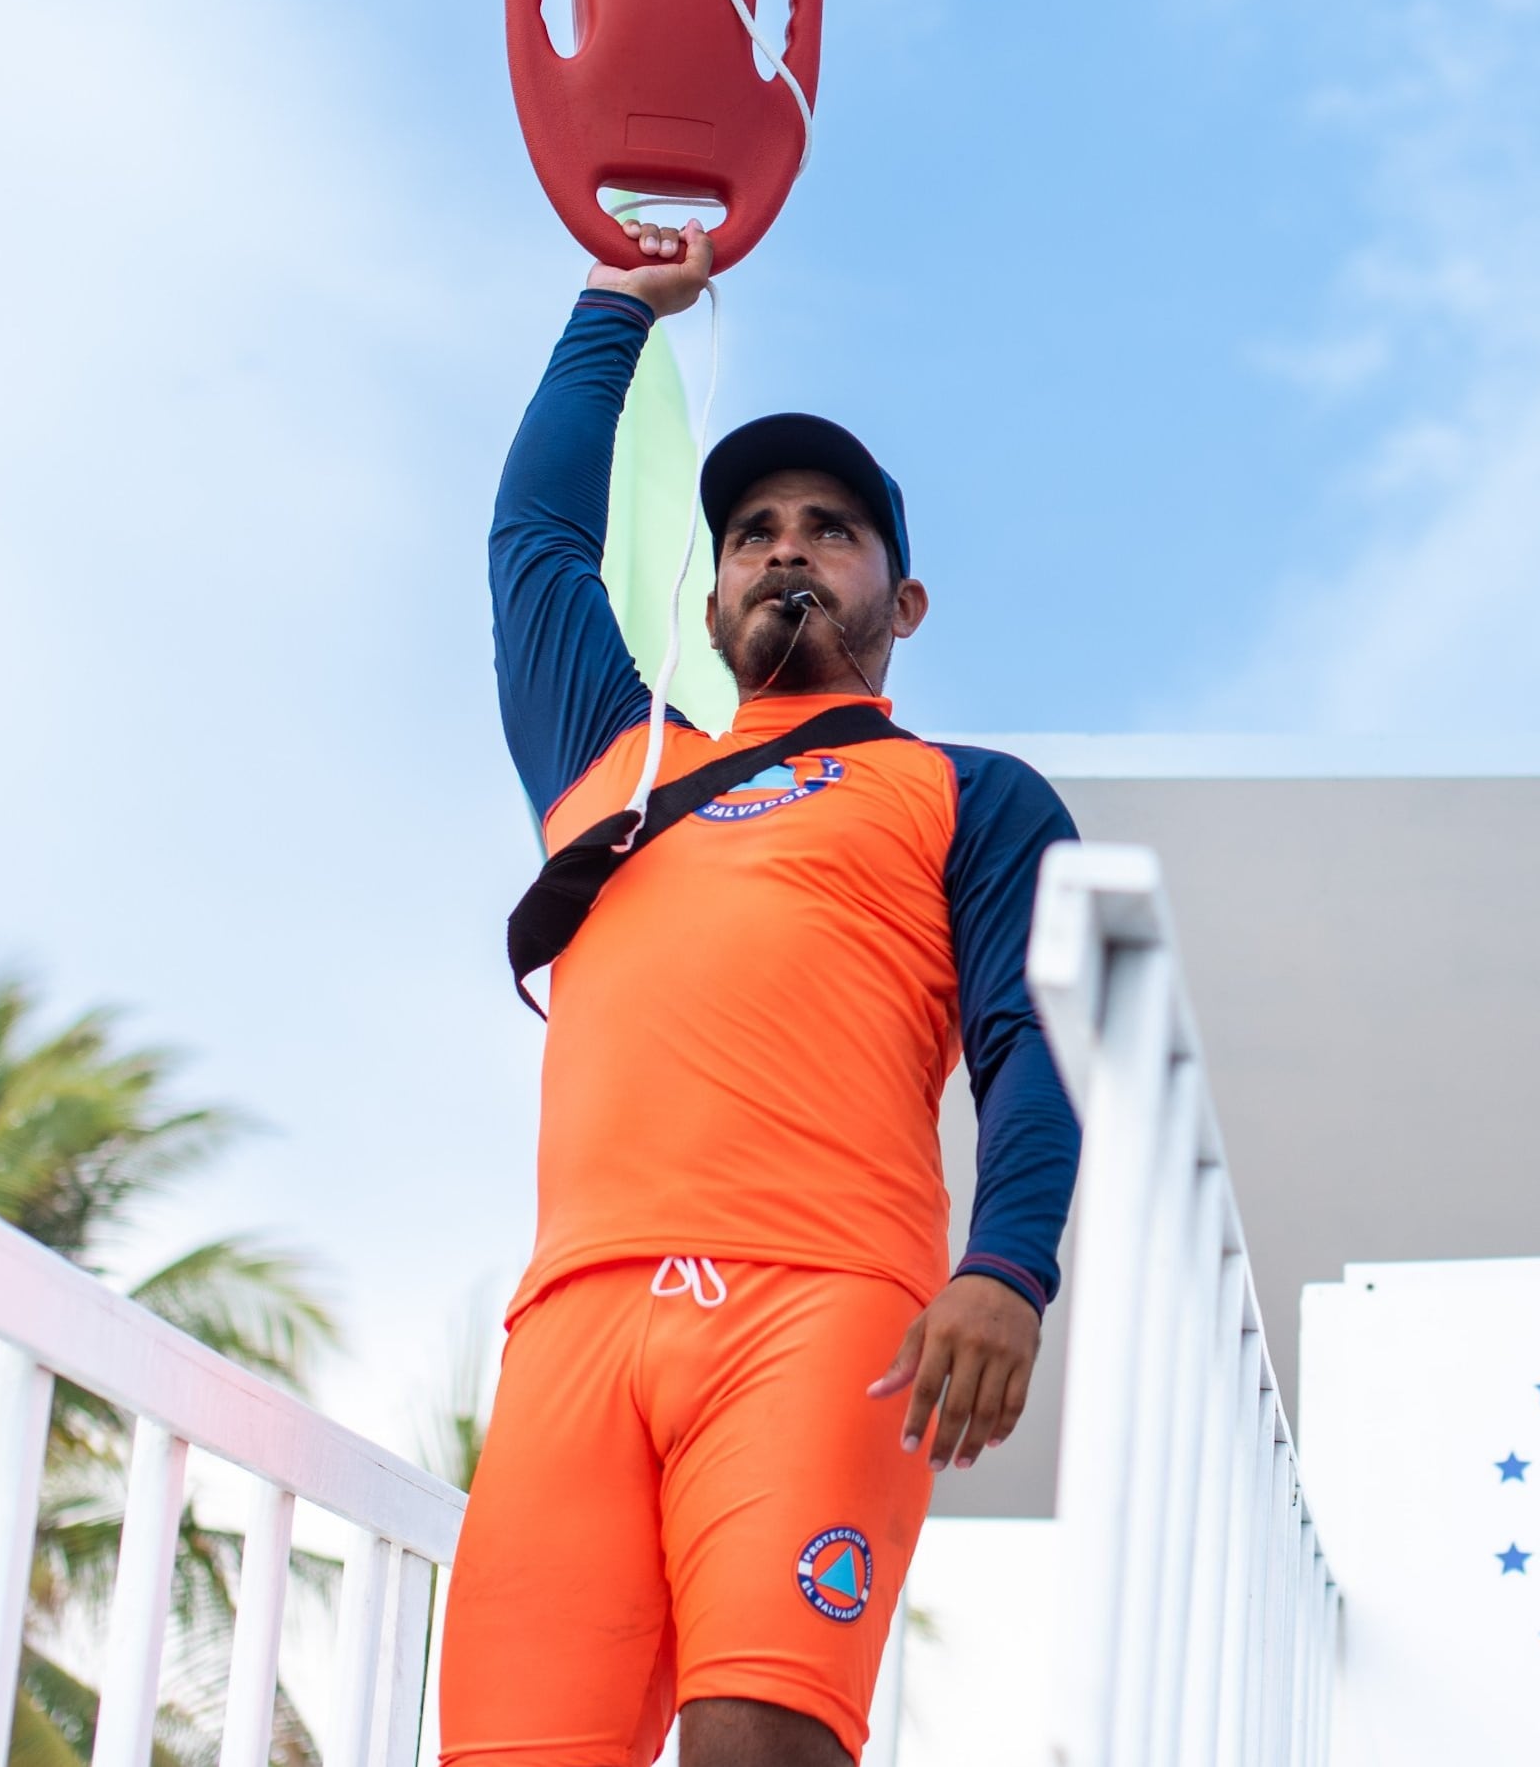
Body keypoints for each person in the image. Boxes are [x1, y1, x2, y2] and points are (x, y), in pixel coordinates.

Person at [437, 221, 1083, 1767]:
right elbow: (532, 541)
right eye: (753, 532)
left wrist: (1009, 1261)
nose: (785, 547)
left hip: (817, 1308)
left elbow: (1029, 1036)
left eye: (831, 529)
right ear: (714, 591)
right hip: (576, 1322)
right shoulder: (613, 757)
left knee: (760, 1746)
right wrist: (611, 311)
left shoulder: (969, 793)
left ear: (902, 601)